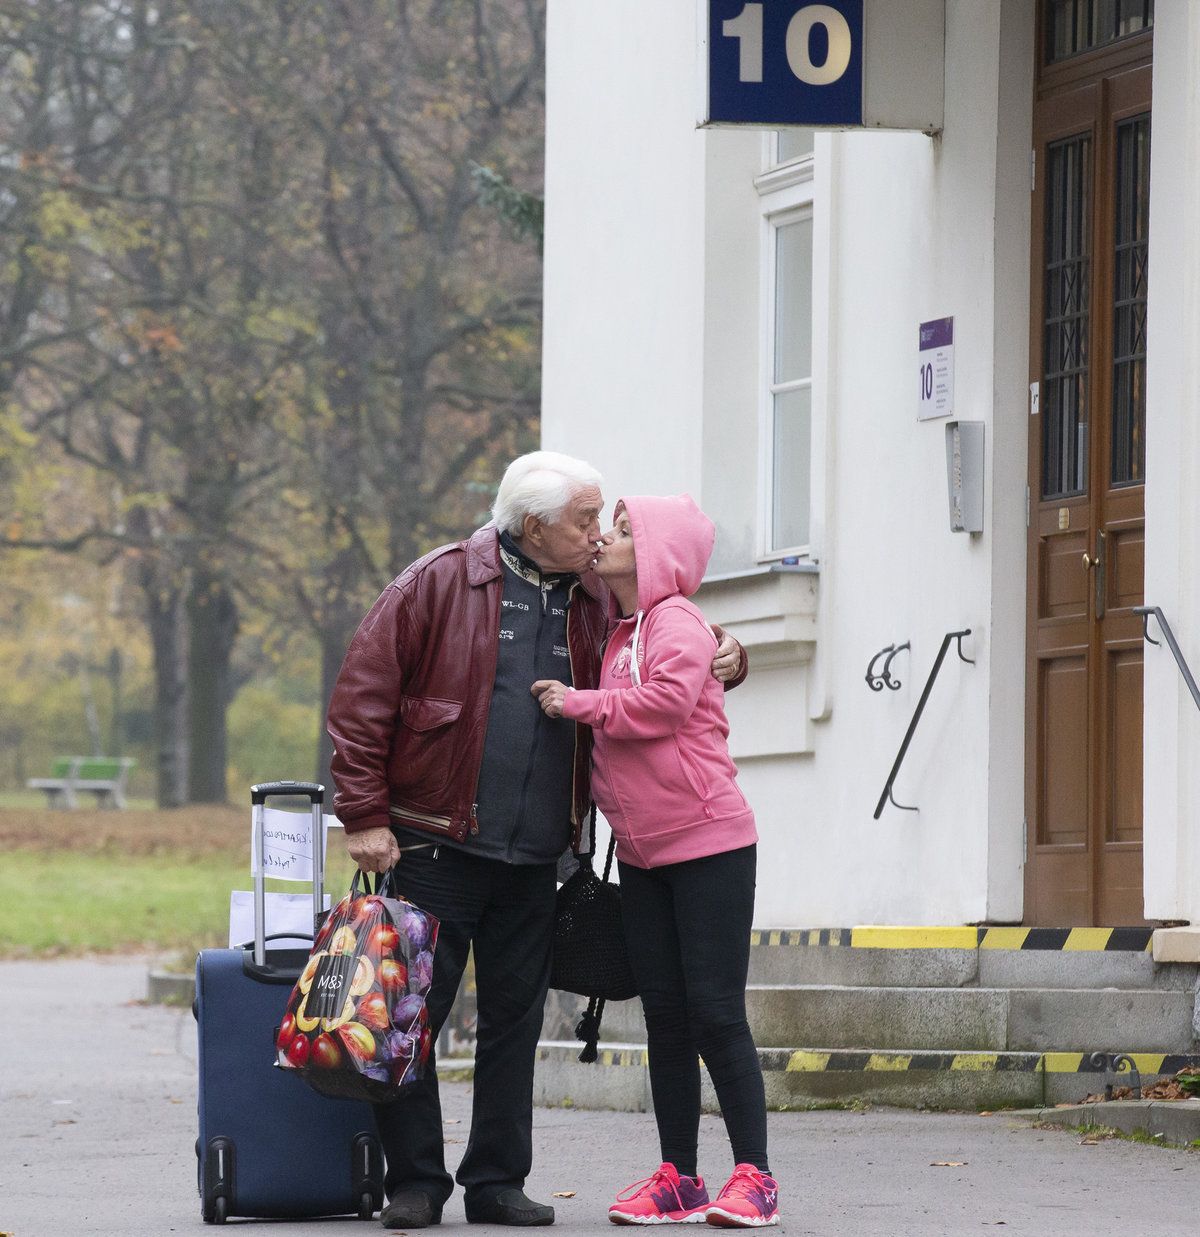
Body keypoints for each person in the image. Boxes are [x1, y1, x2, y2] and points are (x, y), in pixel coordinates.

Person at [326, 453, 746, 1230]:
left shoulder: (591, 596)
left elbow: (664, 629)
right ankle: (414, 1181)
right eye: (584, 520)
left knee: (514, 1021)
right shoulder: (438, 582)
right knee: (410, 1014)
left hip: (537, 856)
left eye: (602, 520)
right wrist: (362, 813)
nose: (598, 534)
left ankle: (495, 1180)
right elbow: (362, 698)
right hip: (434, 845)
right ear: (532, 526)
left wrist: (732, 648)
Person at [533, 494, 779, 1229]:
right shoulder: (620, 629)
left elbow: (667, 702)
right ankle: (680, 1177)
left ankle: (756, 1176)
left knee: (714, 1014)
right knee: (666, 1019)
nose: (608, 536)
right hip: (643, 856)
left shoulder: (676, 621)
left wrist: (578, 704)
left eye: (627, 528)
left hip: (710, 846)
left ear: (662, 551)